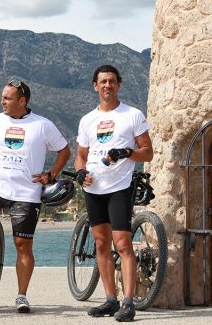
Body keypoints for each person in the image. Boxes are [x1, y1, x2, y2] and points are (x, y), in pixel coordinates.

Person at [0, 78, 71, 313]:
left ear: (22, 101)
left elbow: (64, 151)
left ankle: (21, 295)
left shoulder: (43, 125)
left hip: (26, 194)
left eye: (7, 98)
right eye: (2, 97)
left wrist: (51, 174)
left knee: (23, 245)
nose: (2, 101)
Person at [74, 64, 153, 322]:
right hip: (93, 188)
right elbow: (80, 156)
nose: (107, 85)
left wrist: (127, 152)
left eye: (111, 81)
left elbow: (148, 152)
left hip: (119, 188)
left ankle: (128, 302)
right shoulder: (87, 120)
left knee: (123, 244)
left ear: (119, 84)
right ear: (95, 86)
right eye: (102, 82)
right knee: (100, 244)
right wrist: (79, 172)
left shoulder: (132, 115)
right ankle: (110, 300)